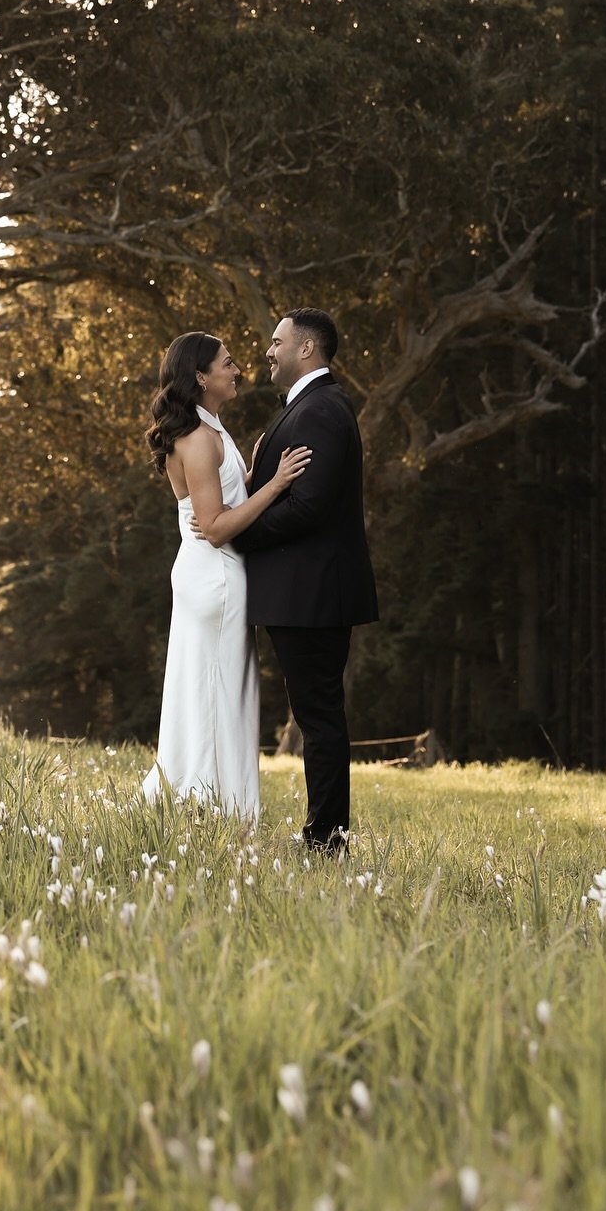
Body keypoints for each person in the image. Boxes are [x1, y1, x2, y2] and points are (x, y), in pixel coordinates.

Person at [141, 331, 311, 819]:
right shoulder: (197, 438)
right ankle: (211, 806)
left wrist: (252, 476)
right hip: (213, 576)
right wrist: (275, 485)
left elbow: (222, 504)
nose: (238, 370)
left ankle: (210, 803)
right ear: (201, 376)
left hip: (217, 574)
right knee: (216, 692)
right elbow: (215, 528)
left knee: (219, 688)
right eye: (227, 363)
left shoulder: (211, 428)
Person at [229, 308, 378, 854]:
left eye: (277, 342)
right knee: (317, 716)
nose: (268, 351)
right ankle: (324, 836)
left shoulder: (321, 409)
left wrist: (240, 534)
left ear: (307, 348)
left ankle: (326, 842)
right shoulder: (306, 407)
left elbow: (309, 506)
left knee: (319, 718)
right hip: (302, 592)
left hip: (312, 593)